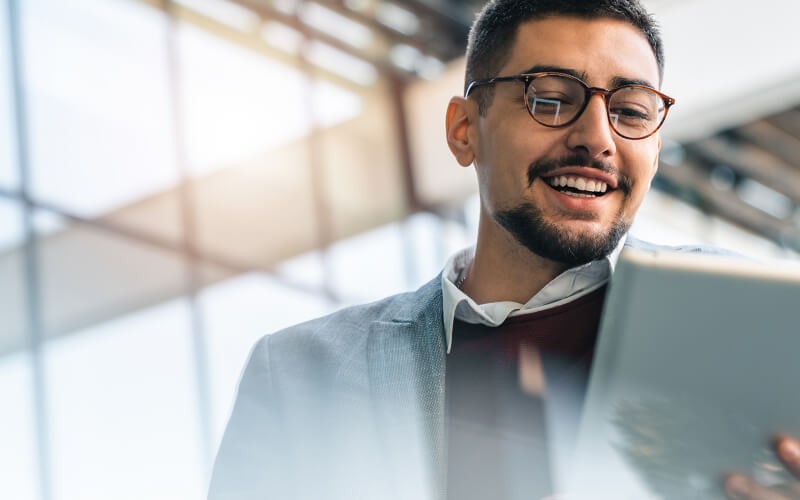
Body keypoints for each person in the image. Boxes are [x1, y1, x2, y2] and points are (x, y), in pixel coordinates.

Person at [208, 1, 800, 499]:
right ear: (466, 130)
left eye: (631, 112)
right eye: (549, 99)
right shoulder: (299, 374)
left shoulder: (764, 331)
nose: (598, 139)